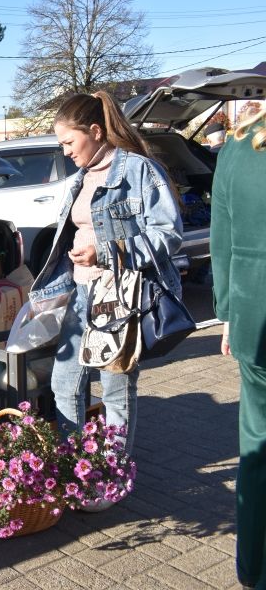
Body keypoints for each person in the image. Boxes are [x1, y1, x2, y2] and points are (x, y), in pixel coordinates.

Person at [29, 91, 183, 464]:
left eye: (69, 141)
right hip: (82, 295)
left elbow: (169, 234)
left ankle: (111, 476)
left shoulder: (139, 170)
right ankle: (72, 469)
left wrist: (108, 250)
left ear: (95, 131)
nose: (65, 151)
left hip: (121, 297)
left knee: (115, 389)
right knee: (64, 386)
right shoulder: (81, 177)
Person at [211, 104, 266, 590]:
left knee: (257, 448)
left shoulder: (236, 147)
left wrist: (226, 314)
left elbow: (222, 240)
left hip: (254, 316)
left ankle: (253, 567)